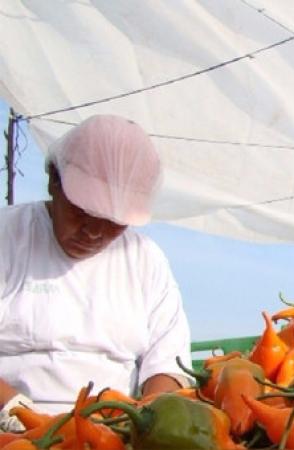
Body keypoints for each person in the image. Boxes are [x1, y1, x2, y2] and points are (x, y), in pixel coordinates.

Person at [0, 115, 191, 428]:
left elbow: (167, 364)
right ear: (53, 180)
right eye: (83, 211)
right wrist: (14, 411)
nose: (94, 232)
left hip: (111, 430)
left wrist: (144, 423)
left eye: (114, 221)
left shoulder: (145, 260)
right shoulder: (7, 236)